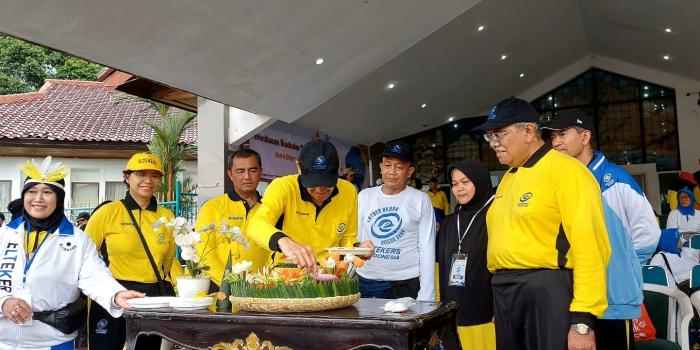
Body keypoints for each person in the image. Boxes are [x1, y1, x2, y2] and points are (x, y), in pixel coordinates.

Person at [475, 97, 610, 350]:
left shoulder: (567, 171)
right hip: (505, 291)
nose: (494, 144)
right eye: (489, 137)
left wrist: (583, 321)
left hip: (547, 288)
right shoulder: (509, 177)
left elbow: (590, 247)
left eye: (500, 134)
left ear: (528, 131)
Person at [0, 156, 144, 349]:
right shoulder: (5, 234)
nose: (38, 199)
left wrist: (116, 294)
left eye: (47, 192)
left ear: (59, 199)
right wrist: (4, 302)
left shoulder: (76, 240)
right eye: (32, 191)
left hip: (53, 342)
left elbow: (94, 275)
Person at [547, 110, 661, 349]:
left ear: (585, 136)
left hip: (612, 300)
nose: (555, 142)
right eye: (553, 136)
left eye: (563, 134)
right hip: (573, 298)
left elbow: (649, 235)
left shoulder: (615, 180)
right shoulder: (559, 182)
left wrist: (621, 267)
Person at [85, 152, 177, 350]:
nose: (148, 180)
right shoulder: (107, 212)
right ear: (127, 177)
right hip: (112, 291)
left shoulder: (167, 217)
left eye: (154, 175)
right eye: (140, 174)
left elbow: (168, 261)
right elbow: (85, 256)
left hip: (152, 296)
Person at [248, 140, 373, 272]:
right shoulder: (283, 187)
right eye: (313, 183)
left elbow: (347, 237)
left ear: (339, 168)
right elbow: (256, 224)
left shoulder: (348, 191)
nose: (320, 189)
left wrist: (359, 248)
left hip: (330, 273)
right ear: (299, 167)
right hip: (287, 272)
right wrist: (283, 241)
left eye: (326, 183)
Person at [357, 141, 435, 301]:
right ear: (380, 167)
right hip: (365, 281)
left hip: (404, 283)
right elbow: (355, 238)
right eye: (387, 165)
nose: (392, 171)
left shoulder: (420, 199)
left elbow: (427, 248)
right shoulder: (364, 196)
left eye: (399, 167)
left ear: (410, 171)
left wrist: (427, 294)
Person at [436, 159, 495, 349]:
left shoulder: (496, 216)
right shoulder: (450, 223)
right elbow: (441, 267)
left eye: (465, 182)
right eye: (454, 184)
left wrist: (502, 308)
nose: (459, 188)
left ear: (480, 181)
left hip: (488, 315)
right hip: (453, 315)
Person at [195, 148, 269, 290]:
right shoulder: (212, 207)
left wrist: (266, 283)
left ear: (261, 172)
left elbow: (276, 252)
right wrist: (231, 283)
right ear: (230, 174)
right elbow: (204, 253)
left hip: (262, 289)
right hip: (221, 289)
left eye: (252, 170)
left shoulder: (270, 209)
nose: (247, 176)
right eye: (240, 171)